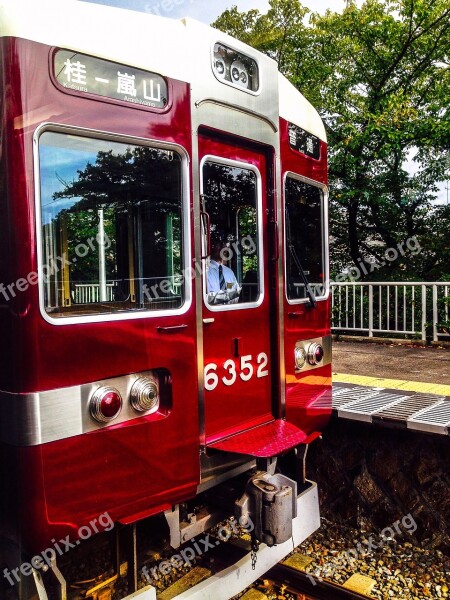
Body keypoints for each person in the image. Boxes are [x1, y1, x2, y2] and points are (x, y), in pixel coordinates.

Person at [207, 238, 240, 303]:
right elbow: (208, 297)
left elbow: (236, 291)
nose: (223, 250)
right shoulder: (206, 271)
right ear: (212, 249)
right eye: (220, 246)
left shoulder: (229, 272)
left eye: (225, 248)